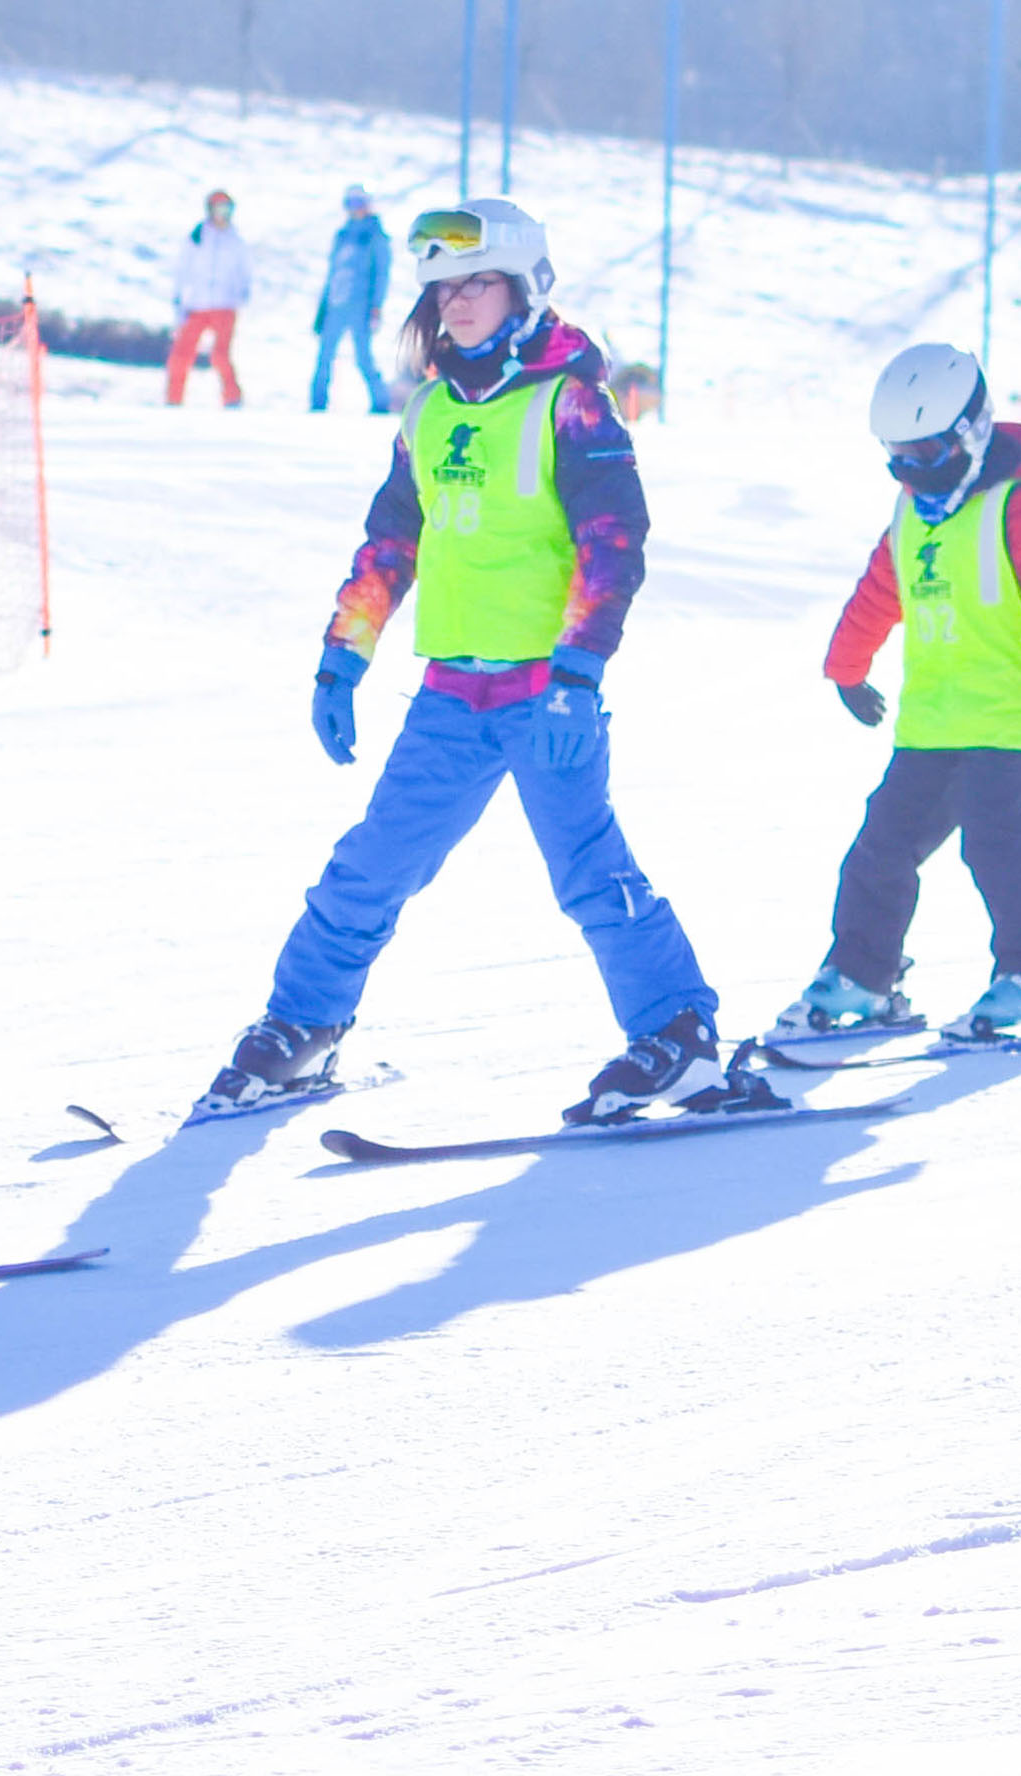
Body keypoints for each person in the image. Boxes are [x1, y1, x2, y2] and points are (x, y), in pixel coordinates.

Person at [201, 198, 758, 1124]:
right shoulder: (427, 410)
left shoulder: (571, 400)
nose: (457, 304)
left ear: (525, 288)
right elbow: (391, 543)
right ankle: (301, 1026)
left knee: (587, 868)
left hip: (547, 691)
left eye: (478, 284)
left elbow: (614, 543)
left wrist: (580, 671)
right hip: (452, 693)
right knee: (369, 866)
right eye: (444, 288)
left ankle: (678, 1036)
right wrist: (344, 657)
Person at [779, 344, 1021, 1042]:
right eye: (897, 456)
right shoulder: (911, 512)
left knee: (997, 845)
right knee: (880, 847)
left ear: (972, 432)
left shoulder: (1020, 507)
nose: (913, 471)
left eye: (927, 452)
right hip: (930, 720)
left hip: (1003, 717)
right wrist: (846, 668)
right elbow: (879, 590)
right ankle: (862, 974)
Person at [309, 184, 396, 413]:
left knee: (363, 357)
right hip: (336, 304)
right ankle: (317, 402)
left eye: (360, 203)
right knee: (325, 355)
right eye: (351, 204)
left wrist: (376, 306)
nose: (355, 209)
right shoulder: (342, 235)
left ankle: (380, 402)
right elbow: (333, 274)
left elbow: (381, 274)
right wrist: (323, 308)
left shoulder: (375, 235)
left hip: (361, 306)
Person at [165, 189, 253, 406]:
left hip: (225, 305)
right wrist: (179, 300)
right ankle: (173, 399)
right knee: (181, 355)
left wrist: (240, 296)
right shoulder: (197, 237)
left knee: (220, 355)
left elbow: (245, 273)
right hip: (197, 304)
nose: (222, 213)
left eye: (226, 208)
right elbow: (182, 269)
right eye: (218, 208)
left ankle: (232, 398)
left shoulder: (235, 241)